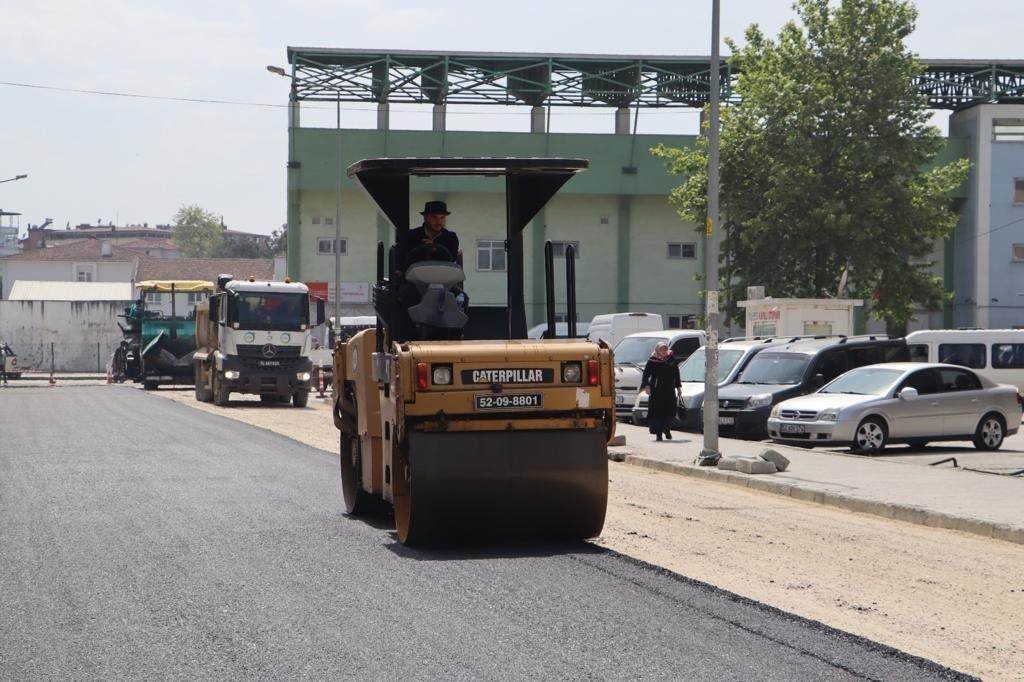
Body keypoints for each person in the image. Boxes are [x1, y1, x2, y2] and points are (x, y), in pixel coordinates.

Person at [395, 200, 462, 273]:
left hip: (443, 279)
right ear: (425, 217)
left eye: (442, 217)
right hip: (414, 279)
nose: (439, 222)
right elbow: (399, 257)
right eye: (434, 217)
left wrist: (435, 249)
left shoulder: (451, 237)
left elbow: (452, 258)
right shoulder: (410, 236)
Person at [640, 341, 682, 441]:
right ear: (657, 350)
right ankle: (658, 433)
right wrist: (646, 385)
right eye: (661, 349)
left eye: (665, 349)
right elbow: (646, 374)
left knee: (670, 411)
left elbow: (676, 374)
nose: (663, 351)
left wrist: (678, 387)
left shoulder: (671, 359)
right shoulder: (652, 360)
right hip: (657, 391)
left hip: (669, 390)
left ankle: (666, 429)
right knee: (657, 412)